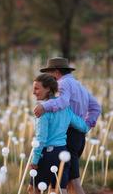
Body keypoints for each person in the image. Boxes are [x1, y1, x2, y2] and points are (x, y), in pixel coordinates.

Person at [33, 57, 102, 194]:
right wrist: (85, 126)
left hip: (68, 136)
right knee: (69, 181)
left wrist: (44, 106)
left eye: (49, 73)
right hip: (79, 135)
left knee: (71, 182)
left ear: (57, 72)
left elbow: (63, 102)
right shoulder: (77, 84)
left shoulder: (63, 83)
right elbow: (96, 107)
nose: (48, 78)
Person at [28, 74, 90, 194]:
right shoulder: (65, 108)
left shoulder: (43, 111)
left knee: (32, 190)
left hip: (47, 155)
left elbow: (41, 139)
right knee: (59, 191)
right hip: (63, 154)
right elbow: (83, 127)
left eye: (36, 88)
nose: (33, 92)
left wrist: (34, 160)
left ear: (48, 89)